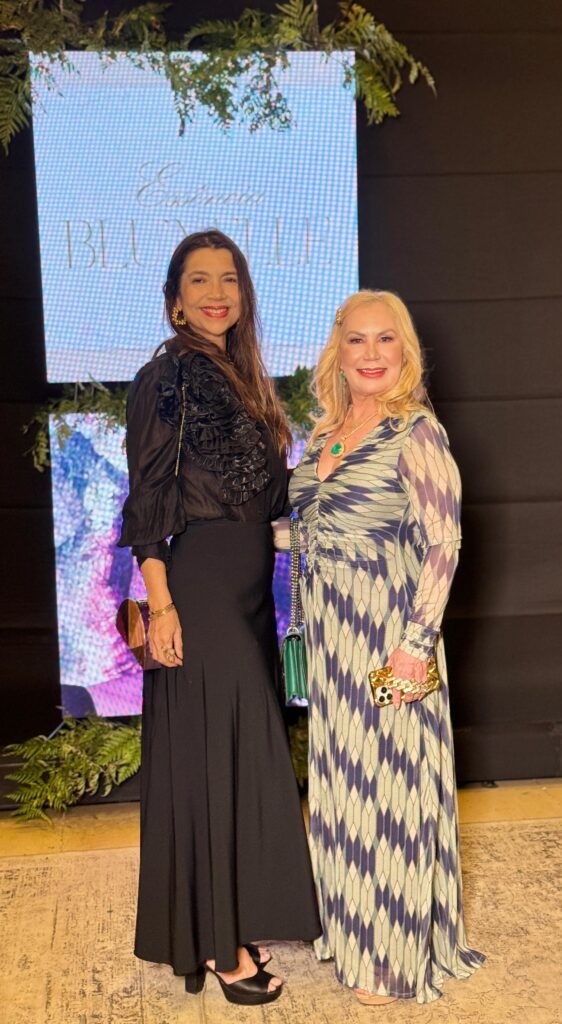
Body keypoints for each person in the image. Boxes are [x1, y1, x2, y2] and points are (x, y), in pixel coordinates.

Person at [118, 230, 320, 1005]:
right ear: (175, 299)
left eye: (228, 278)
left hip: (246, 593)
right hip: (198, 591)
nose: (216, 292)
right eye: (199, 280)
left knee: (234, 762)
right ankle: (221, 947)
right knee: (214, 764)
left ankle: (224, 922)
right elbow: (147, 500)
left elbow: (262, 496)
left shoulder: (240, 376)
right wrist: (162, 603)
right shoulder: (167, 376)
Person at [289, 290, 485, 1005]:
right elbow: (309, 530)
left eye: (386, 340)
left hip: (388, 640)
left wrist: (413, 646)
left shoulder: (416, 433)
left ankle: (392, 955)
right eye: (357, 340)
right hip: (331, 643)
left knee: (391, 793)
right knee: (342, 790)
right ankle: (351, 934)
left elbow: (444, 543)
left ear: (406, 351)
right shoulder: (324, 435)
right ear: (337, 353)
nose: (371, 354)